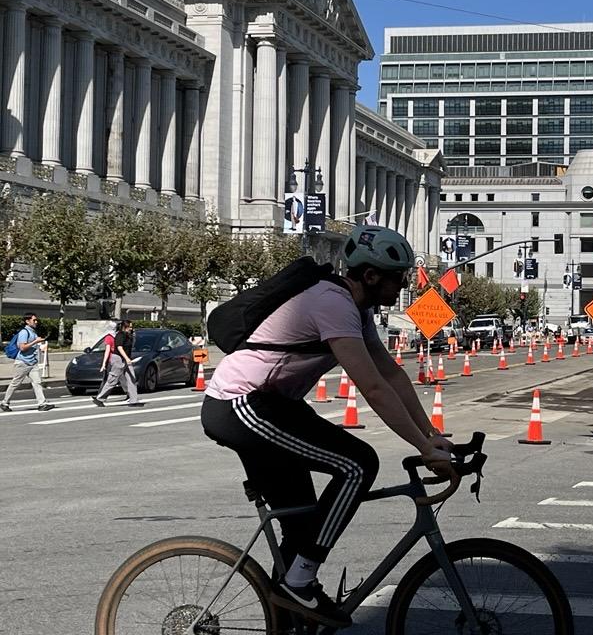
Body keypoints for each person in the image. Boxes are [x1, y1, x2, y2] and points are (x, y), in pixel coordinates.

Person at [200, 225, 454, 630]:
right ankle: (299, 582)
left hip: (274, 404)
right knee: (358, 464)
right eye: (398, 277)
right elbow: (370, 386)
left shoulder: (359, 309)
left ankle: (289, 610)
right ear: (371, 277)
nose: (403, 284)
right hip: (239, 405)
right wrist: (423, 448)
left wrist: (430, 436)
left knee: (301, 526)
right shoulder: (330, 302)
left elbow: (391, 374)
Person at [1, 313, 55, 412]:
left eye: (36, 320)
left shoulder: (33, 332)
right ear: (27, 321)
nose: (36, 322)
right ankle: (4, 402)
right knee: (15, 383)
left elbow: (33, 346)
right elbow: (22, 347)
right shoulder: (24, 332)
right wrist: (35, 341)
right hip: (23, 362)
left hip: (32, 362)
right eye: (34, 320)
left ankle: (42, 404)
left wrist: (40, 344)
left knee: (37, 382)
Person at [93, 320, 143, 407]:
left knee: (132, 378)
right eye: (129, 327)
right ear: (124, 327)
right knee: (113, 379)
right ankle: (99, 398)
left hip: (126, 359)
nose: (131, 329)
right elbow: (119, 348)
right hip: (118, 359)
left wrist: (128, 358)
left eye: (131, 327)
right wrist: (127, 358)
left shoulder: (129, 336)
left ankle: (133, 401)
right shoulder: (120, 335)